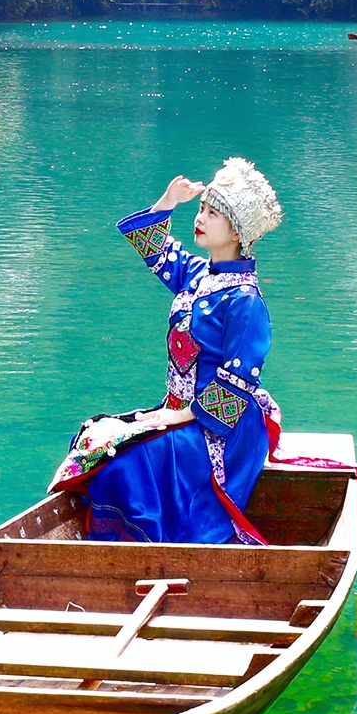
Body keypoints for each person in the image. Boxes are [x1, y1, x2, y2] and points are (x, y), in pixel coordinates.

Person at [53, 157, 284, 543]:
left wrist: (178, 418)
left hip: (222, 429)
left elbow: (238, 381)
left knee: (124, 463)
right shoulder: (198, 275)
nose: (201, 218)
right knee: (96, 437)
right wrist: (167, 202)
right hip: (180, 412)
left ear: (237, 231)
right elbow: (155, 249)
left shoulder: (245, 300)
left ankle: (141, 543)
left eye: (213, 213)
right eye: (202, 209)